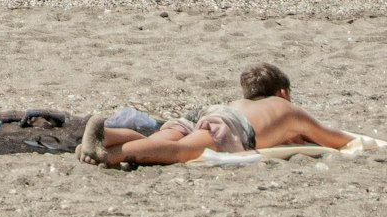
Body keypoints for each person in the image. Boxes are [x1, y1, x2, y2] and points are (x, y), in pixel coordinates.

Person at [76, 62, 352, 168]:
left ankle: (107, 134)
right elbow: (331, 138)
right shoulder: (287, 109)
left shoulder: (242, 103)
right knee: (180, 150)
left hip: (206, 112)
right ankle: (109, 154)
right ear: (282, 93)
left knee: (166, 137)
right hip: (231, 125)